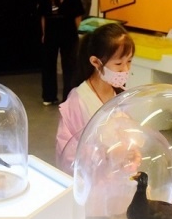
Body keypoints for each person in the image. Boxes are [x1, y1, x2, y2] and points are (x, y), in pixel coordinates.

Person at [56, 22, 135, 173]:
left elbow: (128, 134)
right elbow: (67, 155)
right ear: (95, 62)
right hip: (93, 183)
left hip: (118, 178)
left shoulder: (122, 95)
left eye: (129, 61)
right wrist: (106, 155)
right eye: (118, 63)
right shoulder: (77, 101)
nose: (125, 69)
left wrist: (133, 152)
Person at [39, 0, 85, 105]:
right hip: (68, 33)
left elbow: (43, 16)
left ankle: (48, 96)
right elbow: (78, 16)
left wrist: (44, 33)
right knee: (69, 66)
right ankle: (68, 98)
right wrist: (76, 32)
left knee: (48, 64)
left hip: (51, 31)